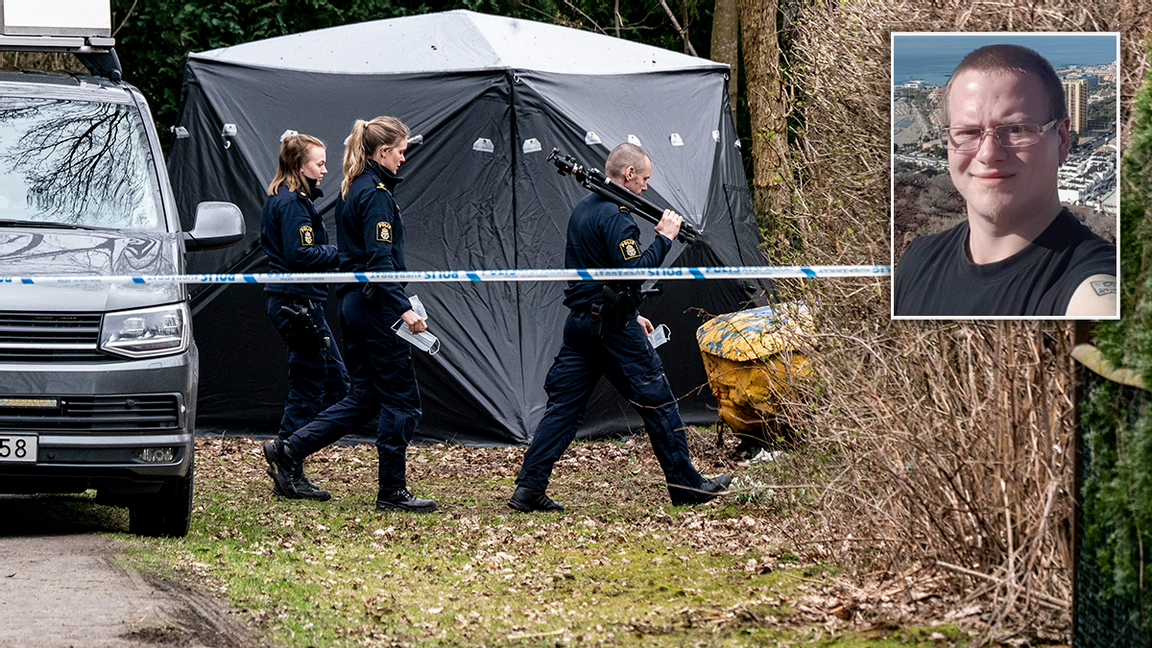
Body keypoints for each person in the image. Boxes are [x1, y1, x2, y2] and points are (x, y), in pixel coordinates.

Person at [508, 143, 731, 512]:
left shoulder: (584, 209)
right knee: (658, 402)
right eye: (644, 179)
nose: (646, 187)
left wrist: (631, 312)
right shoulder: (617, 216)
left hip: (582, 325)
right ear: (628, 174)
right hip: (609, 330)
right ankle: (688, 486)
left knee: (562, 410)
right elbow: (633, 272)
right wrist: (665, 238)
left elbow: (603, 277)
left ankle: (529, 489)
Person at [263, 117, 436, 512]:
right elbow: (380, 260)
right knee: (403, 401)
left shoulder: (349, 188)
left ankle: (289, 449)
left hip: (354, 303)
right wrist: (403, 309)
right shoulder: (373, 194)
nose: (403, 160)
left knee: (363, 399)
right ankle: (392, 491)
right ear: (381, 152)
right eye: (400, 152)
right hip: (376, 306)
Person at [893, 44, 1116, 317]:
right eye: (969, 132)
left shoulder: (1095, 281)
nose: (988, 153)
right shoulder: (917, 261)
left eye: (1016, 129)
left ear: (1061, 139)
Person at [260, 131, 349, 501]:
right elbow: (301, 256)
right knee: (312, 382)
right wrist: (344, 254)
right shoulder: (293, 204)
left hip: (302, 302)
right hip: (296, 303)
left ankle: (288, 451)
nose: (325, 170)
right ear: (301, 166)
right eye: (320, 163)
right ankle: (289, 459)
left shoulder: (288, 199)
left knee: (334, 382)